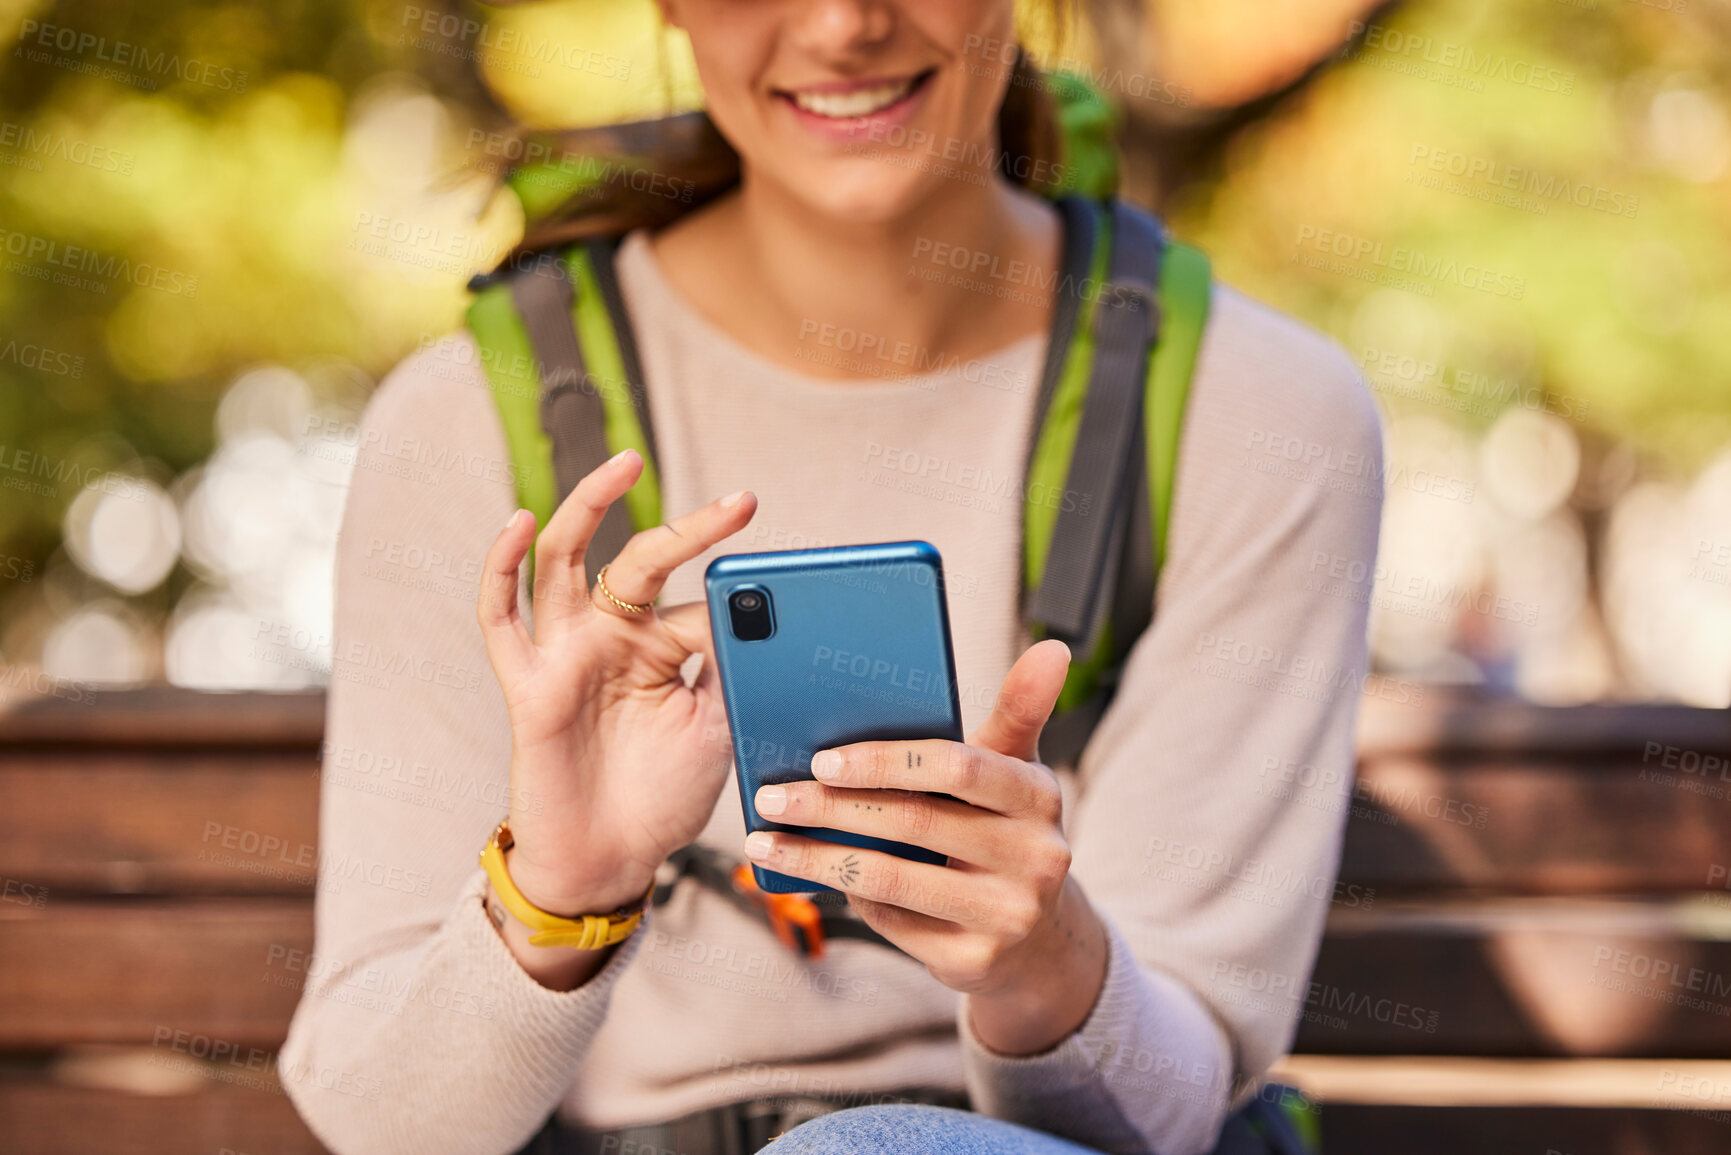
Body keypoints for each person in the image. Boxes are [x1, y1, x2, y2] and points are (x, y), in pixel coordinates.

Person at [279, 1, 1384, 1153]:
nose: (844, 23)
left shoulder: (1257, 414)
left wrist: (1042, 964)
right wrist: (566, 889)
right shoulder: (463, 421)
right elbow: (388, 1126)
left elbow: (1167, 1119)